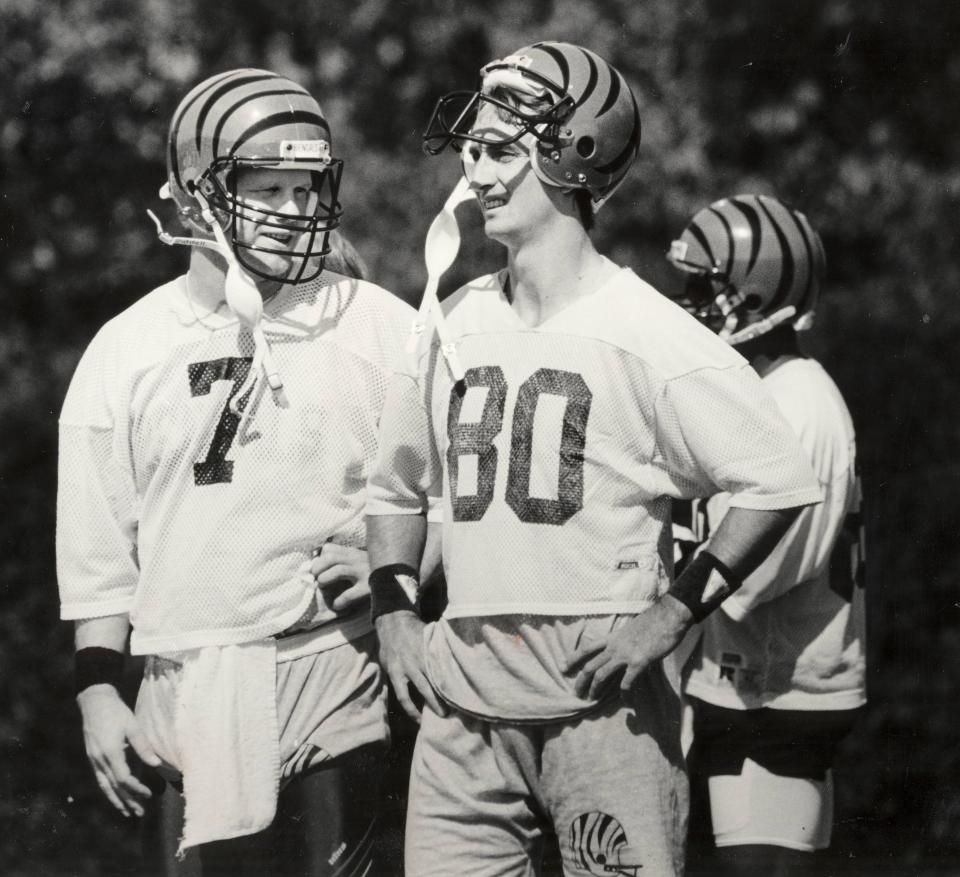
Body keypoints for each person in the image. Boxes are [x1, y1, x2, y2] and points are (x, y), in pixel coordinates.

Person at [364, 42, 824, 876]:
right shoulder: (450, 319)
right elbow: (395, 485)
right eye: (476, 149)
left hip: (603, 699)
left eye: (502, 150)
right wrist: (394, 610)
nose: (476, 171)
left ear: (574, 158)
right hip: (465, 706)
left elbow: (779, 479)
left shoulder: (647, 330)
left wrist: (673, 613)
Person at [56, 68, 420, 877]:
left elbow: (452, 489)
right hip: (188, 680)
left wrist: (397, 560)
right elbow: (98, 555)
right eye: (270, 187)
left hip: (332, 663)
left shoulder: (380, 325)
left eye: (307, 186)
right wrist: (96, 689)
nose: (297, 209)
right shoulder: (128, 346)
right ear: (195, 195)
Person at [666, 194, 867, 876]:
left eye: (702, 287)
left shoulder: (801, 406)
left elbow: (742, 577)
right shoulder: (758, 388)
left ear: (753, 298)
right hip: (741, 683)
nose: (686, 302)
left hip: (777, 695)